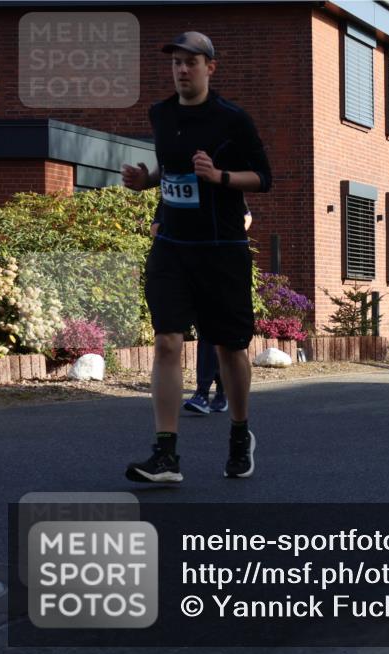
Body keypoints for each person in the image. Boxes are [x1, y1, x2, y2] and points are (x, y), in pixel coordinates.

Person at [122, 31, 271, 483]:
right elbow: (172, 169)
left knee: (230, 348)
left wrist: (220, 175)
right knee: (167, 340)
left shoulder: (232, 119)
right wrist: (146, 179)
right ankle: (166, 454)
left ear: (211, 68)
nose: (182, 70)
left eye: (191, 62)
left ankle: (240, 433)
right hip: (171, 246)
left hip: (221, 250)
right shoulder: (161, 114)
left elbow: (263, 178)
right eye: (176, 63)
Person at [183, 205, 252, 414]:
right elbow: (157, 226)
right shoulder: (182, 189)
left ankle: (203, 393)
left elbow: (246, 217)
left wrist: (227, 235)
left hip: (223, 268)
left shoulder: (223, 185)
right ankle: (221, 390)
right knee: (211, 335)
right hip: (192, 270)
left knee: (210, 334)